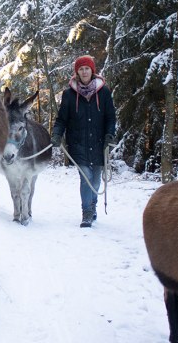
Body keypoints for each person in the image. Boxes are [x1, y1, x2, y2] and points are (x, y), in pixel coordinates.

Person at [51, 55, 116, 228]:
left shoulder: (104, 92)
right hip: (78, 143)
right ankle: (86, 212)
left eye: (87, 68)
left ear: (92, 70)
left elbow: (111, 118)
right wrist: (57, 134)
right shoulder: (69, 95)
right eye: (81, 69)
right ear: (77, 72)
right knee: (86, 177)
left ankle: (92, 205)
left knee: (95, 181)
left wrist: (110, 134)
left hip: (99, 143)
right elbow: (62, 119)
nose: (84, 71)